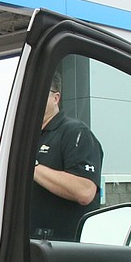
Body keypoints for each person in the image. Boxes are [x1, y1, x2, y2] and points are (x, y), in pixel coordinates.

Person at [31, 72, 103, 240]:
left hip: (63, 249)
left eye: (41, 92)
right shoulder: (25, 138)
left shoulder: (75, 132)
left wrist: (31, 167)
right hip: (27, 245)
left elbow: (85, 191)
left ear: (56, 98)